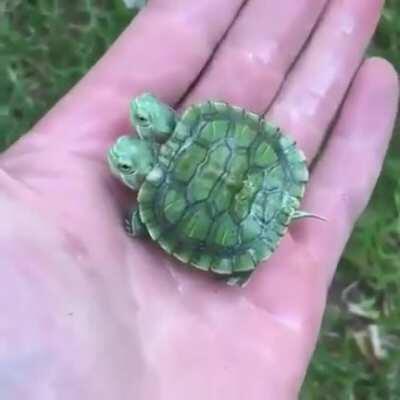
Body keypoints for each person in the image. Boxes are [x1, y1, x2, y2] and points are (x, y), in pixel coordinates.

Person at [0, 1, 398, 399]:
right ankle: (242, 264)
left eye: (143, 120)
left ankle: (242, 266)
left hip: (244, 199)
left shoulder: (156, 200)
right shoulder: (199, 123)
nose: (137, 120)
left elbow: (149, 219)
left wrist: (135, 223)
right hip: (260, 177)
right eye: (125, 160)